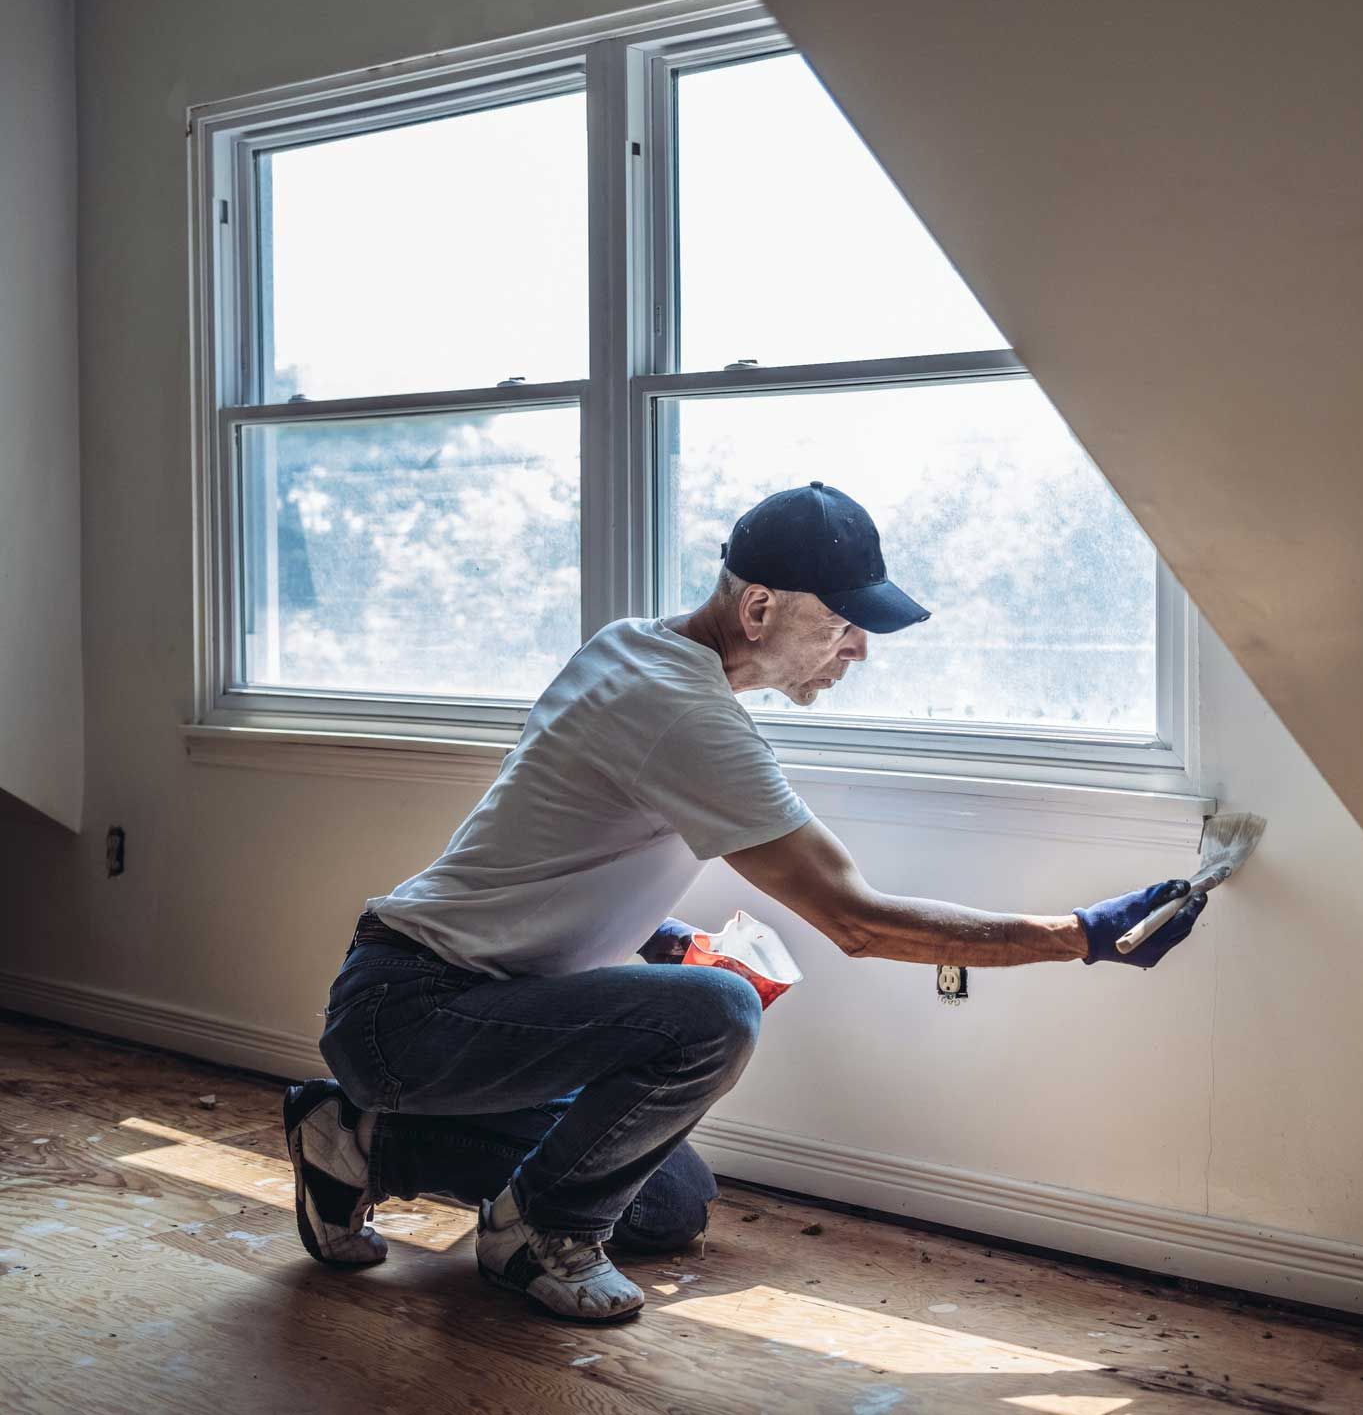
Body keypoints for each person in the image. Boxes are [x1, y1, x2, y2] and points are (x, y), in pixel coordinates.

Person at [284, 481, 1208, 1324]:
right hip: (418, 1013)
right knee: (716, 1013)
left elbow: (549, 839)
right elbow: (859, 922)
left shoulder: (632, 646)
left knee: (667, 1206)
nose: (859, 649)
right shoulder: (687, 714)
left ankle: (358, 1140)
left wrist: (654, 935)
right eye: (843, 625)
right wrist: (1082, 935)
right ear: (759, 608)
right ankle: (532, 1239)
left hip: (456, 1003)